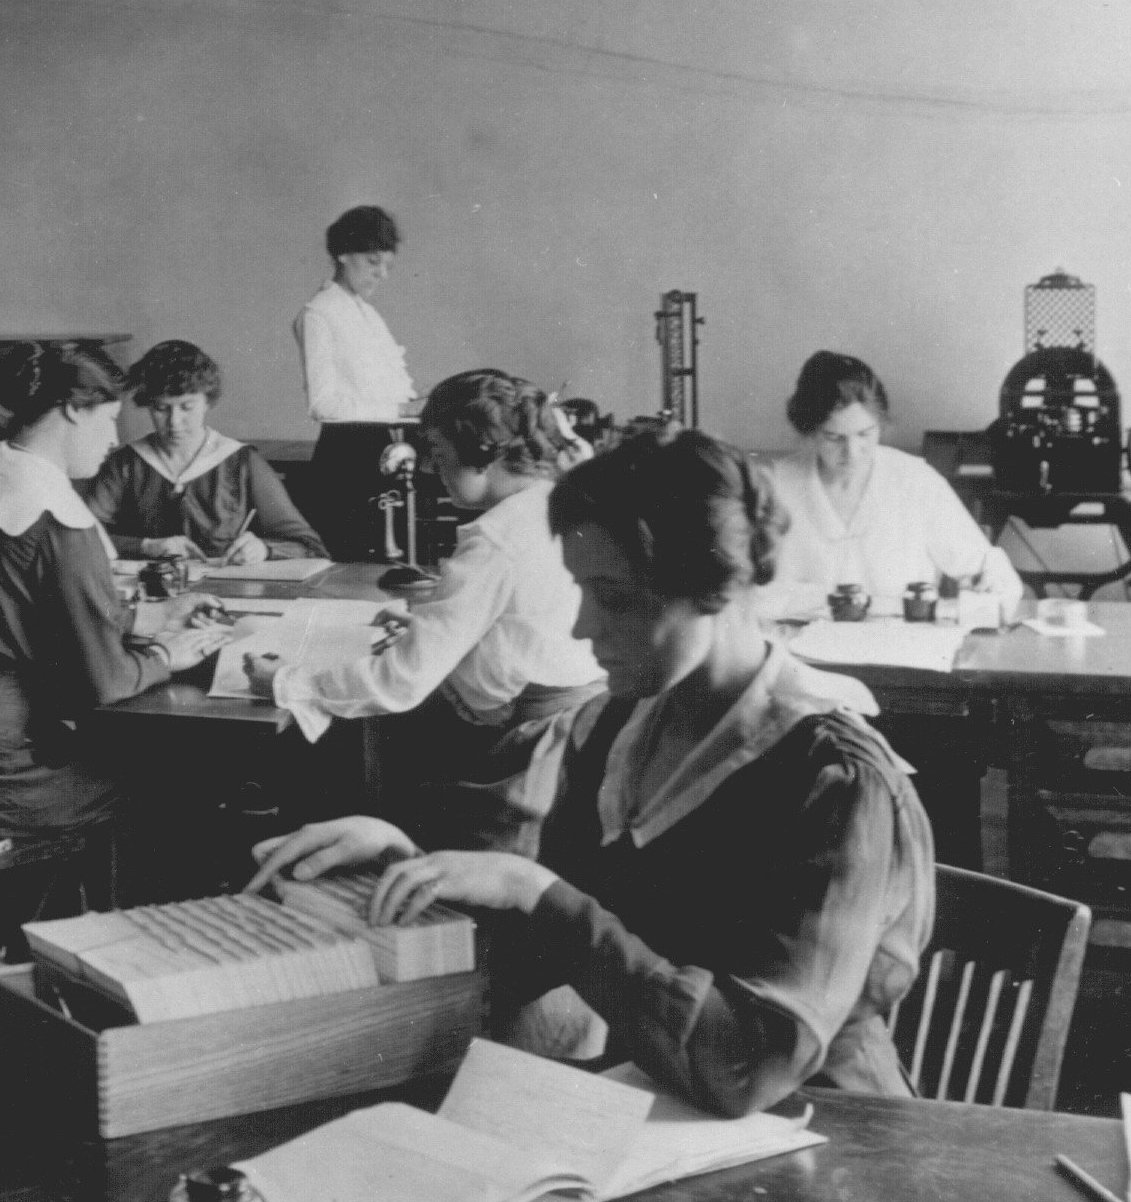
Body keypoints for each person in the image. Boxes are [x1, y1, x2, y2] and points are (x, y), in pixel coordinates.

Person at [249, 430, 933, 1117]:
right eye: (580, 590)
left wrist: (538, 892)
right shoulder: (620, 726)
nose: (581, 626)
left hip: (831, 1130)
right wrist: (419, 868)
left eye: (614, 596)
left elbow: (746, 1066)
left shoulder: (835, 777)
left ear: (714, 589)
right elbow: (562, 945)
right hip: (658, 1100)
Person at [253, 369, 605, 851]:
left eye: (439, 455)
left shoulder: (496, 539)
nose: (432, 472)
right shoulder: (558, 504)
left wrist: (287, 683)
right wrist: (431, 625)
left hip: (521, 754)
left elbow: (400, 681)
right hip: (580, 729)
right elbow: (526, 626)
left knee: (354, 746)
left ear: (481, 452)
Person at [0, 342, 231, 843]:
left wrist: (149, 617)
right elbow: (102, 683)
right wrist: (164, 653)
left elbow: (15, 609)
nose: (113, 439)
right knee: (192, 773)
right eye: (108, 420)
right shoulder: (56, 518)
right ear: (71, 411)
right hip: (6, 784)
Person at [764, 350, 1021, 620]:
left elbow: (991, 573)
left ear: (881, 424)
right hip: (799, 653)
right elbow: (746, 595)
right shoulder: (776, 487)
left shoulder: (914, 481)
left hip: (900, 649)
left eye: (864, 434)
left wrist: (987, 584)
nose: (852, 452)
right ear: (809, 430)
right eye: (833, 437)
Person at [83, 339, 327, 564]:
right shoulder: (126, 463)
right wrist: (146, 546)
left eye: (187, 407)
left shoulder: (241, 462)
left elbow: (309, 546)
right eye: (160, 408)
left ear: (208, 401)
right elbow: (84, 537)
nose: (174, 422)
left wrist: (263, 549)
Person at [291, 203, 420, 557]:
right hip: (348, 462)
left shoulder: (368, 313)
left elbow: (391, 390)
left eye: (387, 265)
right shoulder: (319, 313)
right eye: (373, 262)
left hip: (388, 454)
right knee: (356, 566)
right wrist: (401, 407)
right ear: (344, 254)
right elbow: (323, 405)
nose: (382, 274)